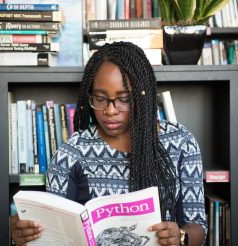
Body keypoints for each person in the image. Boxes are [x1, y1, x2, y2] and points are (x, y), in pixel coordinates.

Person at [11, 41, 207, 246]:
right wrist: (28, 235)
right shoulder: (72, 152)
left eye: (123, 99)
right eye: (100, 98)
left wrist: (181, 237)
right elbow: (55, 231)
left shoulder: (181, 143)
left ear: (142, 96)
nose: (110, 110)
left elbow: (198, 226)